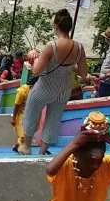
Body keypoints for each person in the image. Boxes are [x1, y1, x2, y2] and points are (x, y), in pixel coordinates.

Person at [19, 10, 87, 156]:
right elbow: (82, 73)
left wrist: (35, 56)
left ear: (56, 26)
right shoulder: (79, 48)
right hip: (63, 89)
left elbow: (36, 71)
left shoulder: (52, 46)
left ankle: (26, 146)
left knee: (31, 112)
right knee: (53, 119)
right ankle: (43, 151)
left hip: (45, 86)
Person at [11, 75, 35, 152]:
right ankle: (19, 146)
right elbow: (16, 105)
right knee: (23, 133)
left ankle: (18, 146)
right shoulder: (22, 91)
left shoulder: (36, 91)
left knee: (26, 133)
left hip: (30, 114)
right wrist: (13, 118)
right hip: (20, 114)